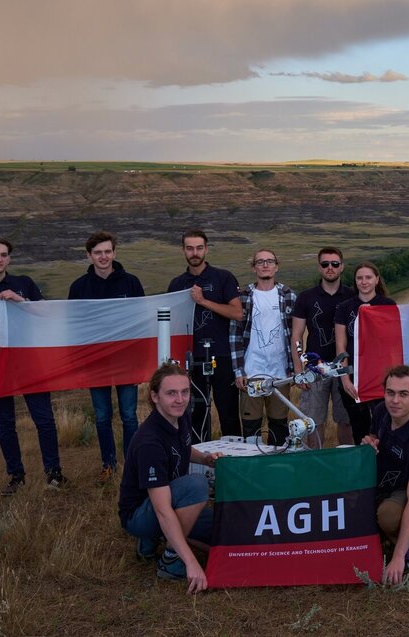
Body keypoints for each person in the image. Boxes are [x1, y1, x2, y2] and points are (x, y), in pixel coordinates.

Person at [0, 237, 66, 495]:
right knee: (5, 422)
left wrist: (20, 300)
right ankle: (16, 475)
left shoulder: (24, 284)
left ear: (9, 258)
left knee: (44, 418)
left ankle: (54, 472)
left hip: (29, 356)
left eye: (4, 254)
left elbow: (45, 313)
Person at [119, 363, 222, 594]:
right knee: (196, 485)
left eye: (185, 392)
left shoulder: (179, 417)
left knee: (221, 530)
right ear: (155, 396)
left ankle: (154, 541)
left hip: (169, 502)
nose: (180, 399)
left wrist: (206, 459)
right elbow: (163, 510)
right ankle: (169, 560)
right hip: (139, 514)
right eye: (171, 393)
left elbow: (184, 448)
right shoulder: (149, 442)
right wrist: (191, 562)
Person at [68, 230, 145, 481]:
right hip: (95, 362)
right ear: (89, 255)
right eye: (98, 252)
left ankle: (132, 465)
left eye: (107, 251)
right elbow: (73, 324)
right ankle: (108, 464)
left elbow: (141, 320)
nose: (103, 257)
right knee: (102, 416)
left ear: (115, 252)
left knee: (129, 415)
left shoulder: (131, 282)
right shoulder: (79, 287)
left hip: (126, 360)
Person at [361, 365, 409, 585]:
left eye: (403, 394)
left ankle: (406, 550)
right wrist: (370, 442)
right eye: (390, 392)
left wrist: (397, 558)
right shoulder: (380, 411)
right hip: (384, 480)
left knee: (388, 515)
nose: (395, 400)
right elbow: (374, 435)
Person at [167, 229, 242, 443]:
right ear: (183, 251)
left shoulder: (223, 277)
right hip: (192, 358)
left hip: (221, 356)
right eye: (190, 248)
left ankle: (233, 460)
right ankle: (199, 461)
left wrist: (203, 301)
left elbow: (237, 313)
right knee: (196, 413)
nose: (195, 253)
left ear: (206, 249)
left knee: (228, 412)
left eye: (199, 248)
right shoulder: (176, 283)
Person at [230, 248, 297, 444]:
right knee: (251, 426)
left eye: (269, 261)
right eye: (260, 262)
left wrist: (294, 368)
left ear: (277, 266)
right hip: (252, 372)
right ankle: (253, 467)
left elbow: (296, 335)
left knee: (279, 425)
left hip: (280, 373)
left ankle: (276, 466)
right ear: (254, 268)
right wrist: (238, 370)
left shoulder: (289, 296)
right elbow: (234, 335)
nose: (265, 265)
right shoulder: (243, 296)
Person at [291, 248, 354, 445]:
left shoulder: (352, 296)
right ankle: (314, 464)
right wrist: (298, 369)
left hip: (344, 368)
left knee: (346, 420)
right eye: (325, 264)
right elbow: (297, 336)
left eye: (335, 264)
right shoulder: (306, 297)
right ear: (319, 268)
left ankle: (345, 464)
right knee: (313, 421)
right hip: (314, 368)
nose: (330, 268)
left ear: (341, 266)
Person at [335, 261, 396, 444]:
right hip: (353, 376)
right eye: (359, 278)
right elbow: (340, 347)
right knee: (359, 426)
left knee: (384, 424)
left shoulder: (387, 304)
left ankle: (385, 466)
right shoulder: (345, 307)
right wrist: (344, 379)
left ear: (377, 279)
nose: (364, 281)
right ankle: (364, 465)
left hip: (381, 375)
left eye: (368, 277)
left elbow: (393, 341)